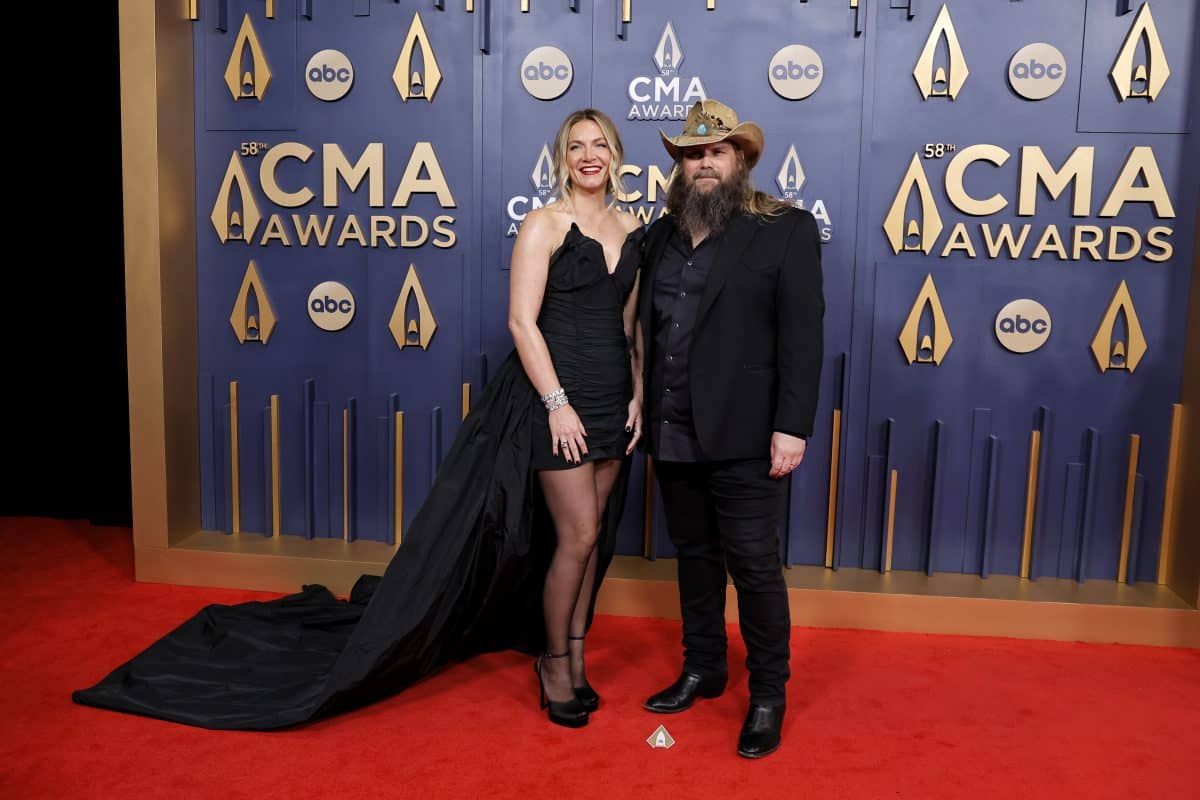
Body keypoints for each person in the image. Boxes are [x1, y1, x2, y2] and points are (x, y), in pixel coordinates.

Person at [72, 108, 645, 731]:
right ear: (562, 157)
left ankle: (579, 659)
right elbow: (520, 322)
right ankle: (555, 664)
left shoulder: (632, 225)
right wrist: (556, 404)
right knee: (578, 535)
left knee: (597, 540)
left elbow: (628, 327)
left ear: (615, 155)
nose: (589, 155)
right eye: (576, 146)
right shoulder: (543, 224)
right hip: (556, 399)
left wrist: (637, 393)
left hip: (615, 398)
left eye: (600, 145)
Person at [636, 99, 824, 758]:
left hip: (748, 433)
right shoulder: (658, 235)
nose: (704, 162)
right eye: (691, 153)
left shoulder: (785, 229)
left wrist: (792, 426)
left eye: (715, 151)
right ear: (679, 166)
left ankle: (768, 692)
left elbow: (804, 337)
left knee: (752, 565)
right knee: (694, 558)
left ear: (740, 158)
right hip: (673, 426)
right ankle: (704, 667)